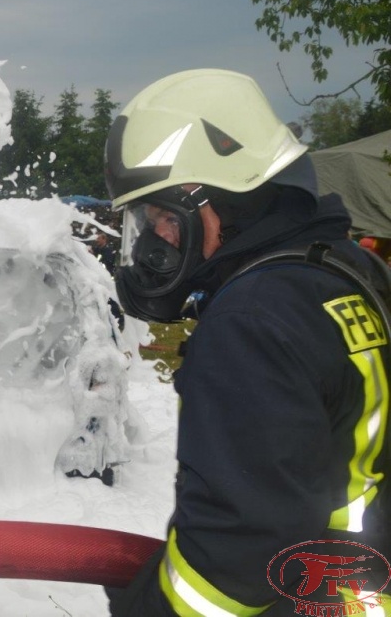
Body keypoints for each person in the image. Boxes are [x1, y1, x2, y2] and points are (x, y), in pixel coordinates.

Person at [104, 69, 390, 615]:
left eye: (165, 216)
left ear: (226, 205)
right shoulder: (345, 269)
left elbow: (237, 564)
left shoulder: (251, 323)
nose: (151, 241)